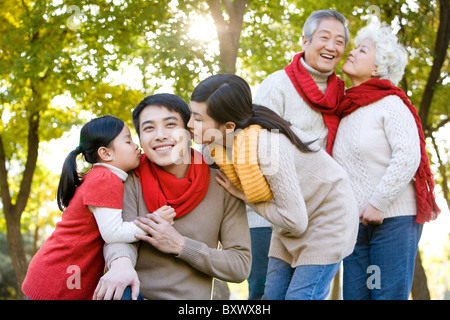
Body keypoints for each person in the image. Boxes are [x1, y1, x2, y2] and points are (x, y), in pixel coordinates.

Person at [188, 74, 358, 300]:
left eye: (198, 119)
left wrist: (244, 195)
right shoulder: (214, 149)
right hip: (289, 218)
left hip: (328, 218)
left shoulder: (267, 145)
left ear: (228, 126)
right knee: (271, 297)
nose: (189, 124)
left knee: (300, 297)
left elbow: (296, 222)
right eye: (191, 114)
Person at [93, 93, 251, 300]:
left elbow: (239, 265)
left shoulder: (222, 184)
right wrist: (120, 264)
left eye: (170, 125)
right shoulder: (130, 179)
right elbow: (119, 237)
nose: (160, 135)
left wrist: (181, 245)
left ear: (189, 131)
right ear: (140, 139)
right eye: (148, 128)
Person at [332, 24, 441, 300]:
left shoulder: (391, 104)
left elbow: (408, 155)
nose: (352, 52)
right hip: (355, 225)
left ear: (378, 68)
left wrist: (378, 203)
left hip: (393, 219)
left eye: (362, 49)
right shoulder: (345, 109)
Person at [248, 10, 349, 299]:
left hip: (316, 214)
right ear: (304, 40)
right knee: (263, 293)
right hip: (270, 212)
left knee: (304, 293)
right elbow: (257, 145)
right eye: (324, 37)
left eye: (340, 41)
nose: (332, 46)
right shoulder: (277, 84)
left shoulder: (341, 95)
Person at [22, 115, 175, 300]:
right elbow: (114, 233)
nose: (136, 146)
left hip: (59, 273)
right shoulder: (105, 179)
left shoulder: (101, 177)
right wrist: (153, 221)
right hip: (59, 278)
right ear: (106, 153)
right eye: (128, 141)